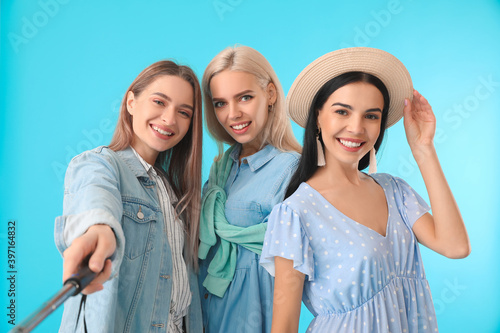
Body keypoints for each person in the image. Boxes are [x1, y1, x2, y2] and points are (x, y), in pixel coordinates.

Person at [260, 47, 470, 332]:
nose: (356, 127)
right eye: (342, 111)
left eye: (371, 116)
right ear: (318, 117)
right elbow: (283, 325)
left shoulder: (395, 190)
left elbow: (455, 246)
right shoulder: (295, 214)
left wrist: (423, 149)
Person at [54, 60, 203, 332]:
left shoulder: (174, 191)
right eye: (159, 102)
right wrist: (99, 230)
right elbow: (96, 200)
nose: (170, 119)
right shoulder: (100, 164)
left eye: (184, 112)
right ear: (131, 102)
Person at [198, 45, 302, 333]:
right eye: (220, 103)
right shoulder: (221, 169)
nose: (232, 114)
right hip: (201, 318)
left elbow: (292, 273)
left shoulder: (292, 170)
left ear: (270, 94)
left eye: (244, 97)